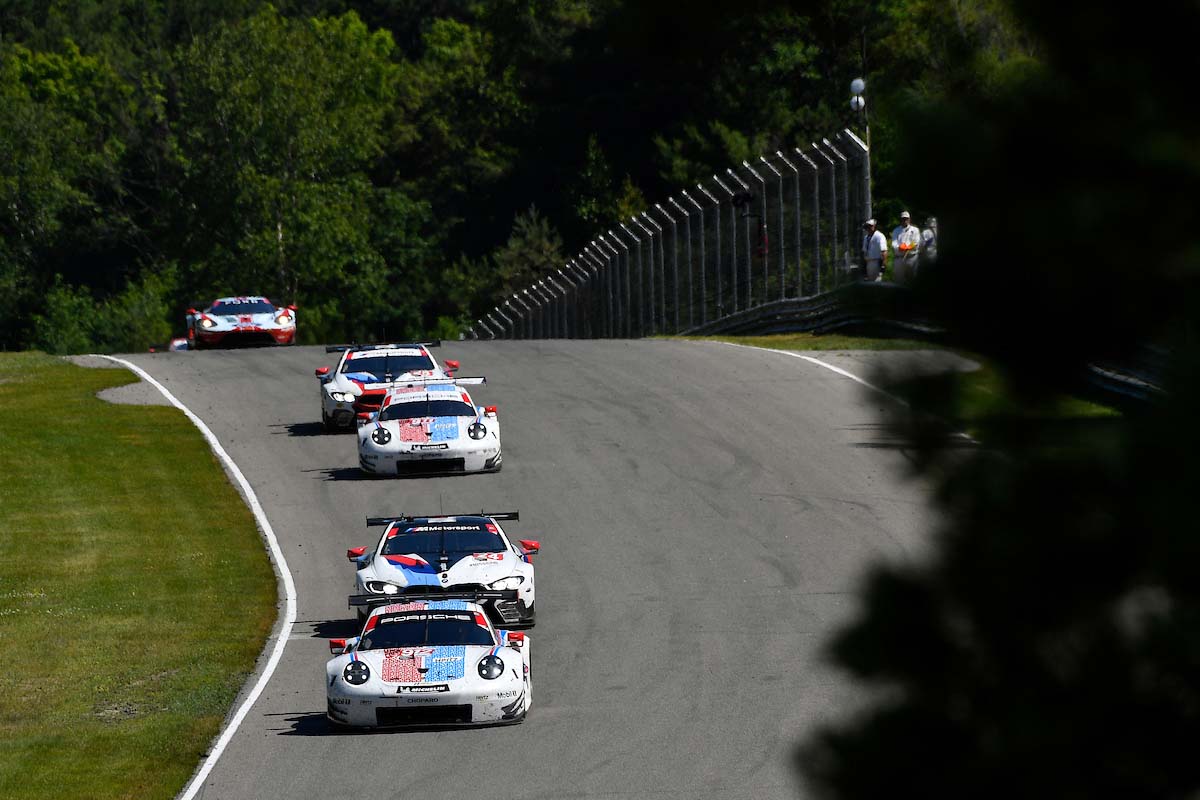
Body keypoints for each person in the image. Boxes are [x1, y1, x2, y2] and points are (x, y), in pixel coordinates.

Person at [891, 211, 921, 283]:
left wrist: (908, 247)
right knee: (898, 280)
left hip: (912, 257)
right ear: (900, 219)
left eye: (906, 218)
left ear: (909, 219)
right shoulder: (896, 230)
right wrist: (900, 247)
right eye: (903, 219)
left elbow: (916, 242)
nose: (905, 220)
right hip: (900, 258)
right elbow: (894, 243)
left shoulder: (915, 230)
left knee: (913, 280)